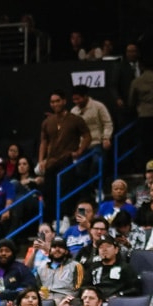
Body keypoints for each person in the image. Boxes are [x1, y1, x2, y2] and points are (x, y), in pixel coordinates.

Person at [37, 91, 91, 221]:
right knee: (49, 192)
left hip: (67, 160)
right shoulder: (47, 122)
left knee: (66, 190)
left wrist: (79, 151)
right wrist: (41, 160)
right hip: (51, 162)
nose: (55, 104)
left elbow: (87, 136)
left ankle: (65, 217)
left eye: (58, 101)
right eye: (52, 102)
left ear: (64, 101)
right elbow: (43, 141)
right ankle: (52, 220)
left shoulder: (75, 119)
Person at [0, 238, 35, 302]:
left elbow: (28, 289)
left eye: (7, 251)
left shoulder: (22, 269)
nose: (3, 253)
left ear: (13, 253)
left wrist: (7, 295)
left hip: (12, 303)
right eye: (0, 251)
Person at [35, 236, 83, 304]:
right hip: (45, 299)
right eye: (54, 247)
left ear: (66, 251)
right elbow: (37, 286)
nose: (57, 249)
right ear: (50, 251)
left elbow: (78, 289)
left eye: (60, 247)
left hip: (65, 300)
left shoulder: (75, 266)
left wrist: (70, 298)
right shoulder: (42, 267)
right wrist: (38, 293)